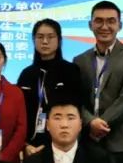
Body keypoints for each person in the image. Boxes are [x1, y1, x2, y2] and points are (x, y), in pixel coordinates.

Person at [74, 0, 123, 153]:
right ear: (90, 25)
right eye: (99, 21)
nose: (104, 27)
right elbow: (76, 98)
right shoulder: (80, 60)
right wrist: (90, 122)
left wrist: (100, 124)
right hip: (88, 140)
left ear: (120, 25)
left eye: (111, 21)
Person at [16, 18, 82, 155]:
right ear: (33, 40)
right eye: (40, 37)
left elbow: (77, 110)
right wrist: (25, 145)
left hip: (62, 146)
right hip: (30, 147)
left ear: (59, 40)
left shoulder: (71, 71)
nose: (45, 41)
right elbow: (19, 114)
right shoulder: (26, 74)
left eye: (50, 37)